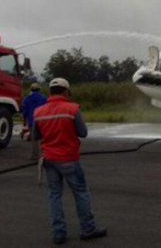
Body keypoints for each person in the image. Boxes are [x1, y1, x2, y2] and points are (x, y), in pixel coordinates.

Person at [33, 78, 107, 245]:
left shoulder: (38, 112)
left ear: (50, 92)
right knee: (81, 193)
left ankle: (58, 234)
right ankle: (88, 229)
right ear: (66, 92)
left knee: (54, 196)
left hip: (49, 159)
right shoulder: (72, 109)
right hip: (68, 159)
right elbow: (83, 132)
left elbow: (36, 136)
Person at [21, 82, 47, 159]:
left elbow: (24, 111)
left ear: (31, 89)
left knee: (34, 139)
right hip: (42, 121)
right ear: (39, 89)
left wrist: (24, 121)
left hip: (32, 121)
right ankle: (45, 154)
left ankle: (35, 155)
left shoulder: (27, 99)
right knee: (43, 138)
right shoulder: (43, 98)